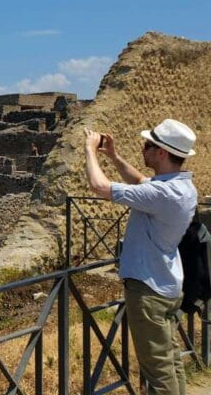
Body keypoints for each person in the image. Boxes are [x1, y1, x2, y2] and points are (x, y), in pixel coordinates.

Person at [84, 118, 197, 395]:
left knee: (157, 372)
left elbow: (100, 187)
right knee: (170, 363)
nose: (143, 148)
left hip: (148, 290)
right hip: (167, 284)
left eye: (148, 144)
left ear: (161, 153)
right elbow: (139, 181)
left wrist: (89, 149)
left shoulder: (163, 193)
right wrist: (113, 156)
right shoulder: (180, 187)